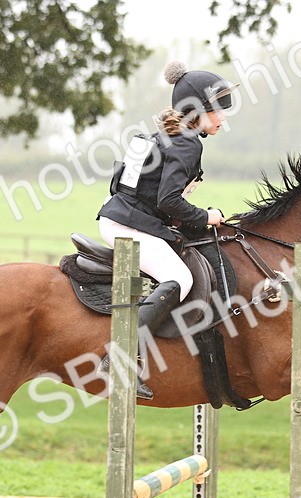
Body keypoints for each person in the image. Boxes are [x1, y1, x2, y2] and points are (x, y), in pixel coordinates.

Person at [96, 61, 237, 399]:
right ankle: (118, 358)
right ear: (197, 112)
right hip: (128, 226)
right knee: (183, 279)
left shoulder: (169, 137)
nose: (223, 119)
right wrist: (205, 217)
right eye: (217, 111)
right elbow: (170, 201)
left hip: (125, 219)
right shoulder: (187, 144)